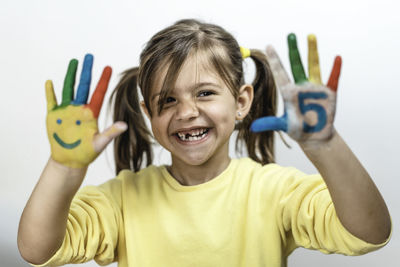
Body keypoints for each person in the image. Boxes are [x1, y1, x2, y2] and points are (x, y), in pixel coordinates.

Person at [18, 19, 391, 267]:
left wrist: (325, 145)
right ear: (149, 113)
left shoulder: (273, 190)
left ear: (241, 101)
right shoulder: (122, 199)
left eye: (205, 93)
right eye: (168, 100)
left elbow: (370, 233)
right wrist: (64, 167)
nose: (186, 112)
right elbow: (36, 250)